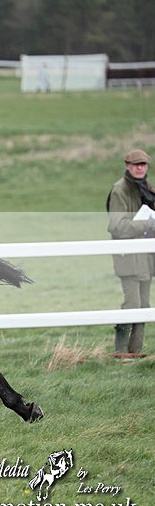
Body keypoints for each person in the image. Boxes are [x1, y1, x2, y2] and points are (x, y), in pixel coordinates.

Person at [106, 149, 155, 356]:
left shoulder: (147, 188)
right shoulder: (120, 190)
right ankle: (120, 351)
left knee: (144, 305)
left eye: (143, 164)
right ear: (127, 165)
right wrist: (147, 222)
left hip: (146, 256)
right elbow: (118, 227)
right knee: (132, 304)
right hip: (128, 257)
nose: (139, 168)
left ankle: (136, 352)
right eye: (135, 164)